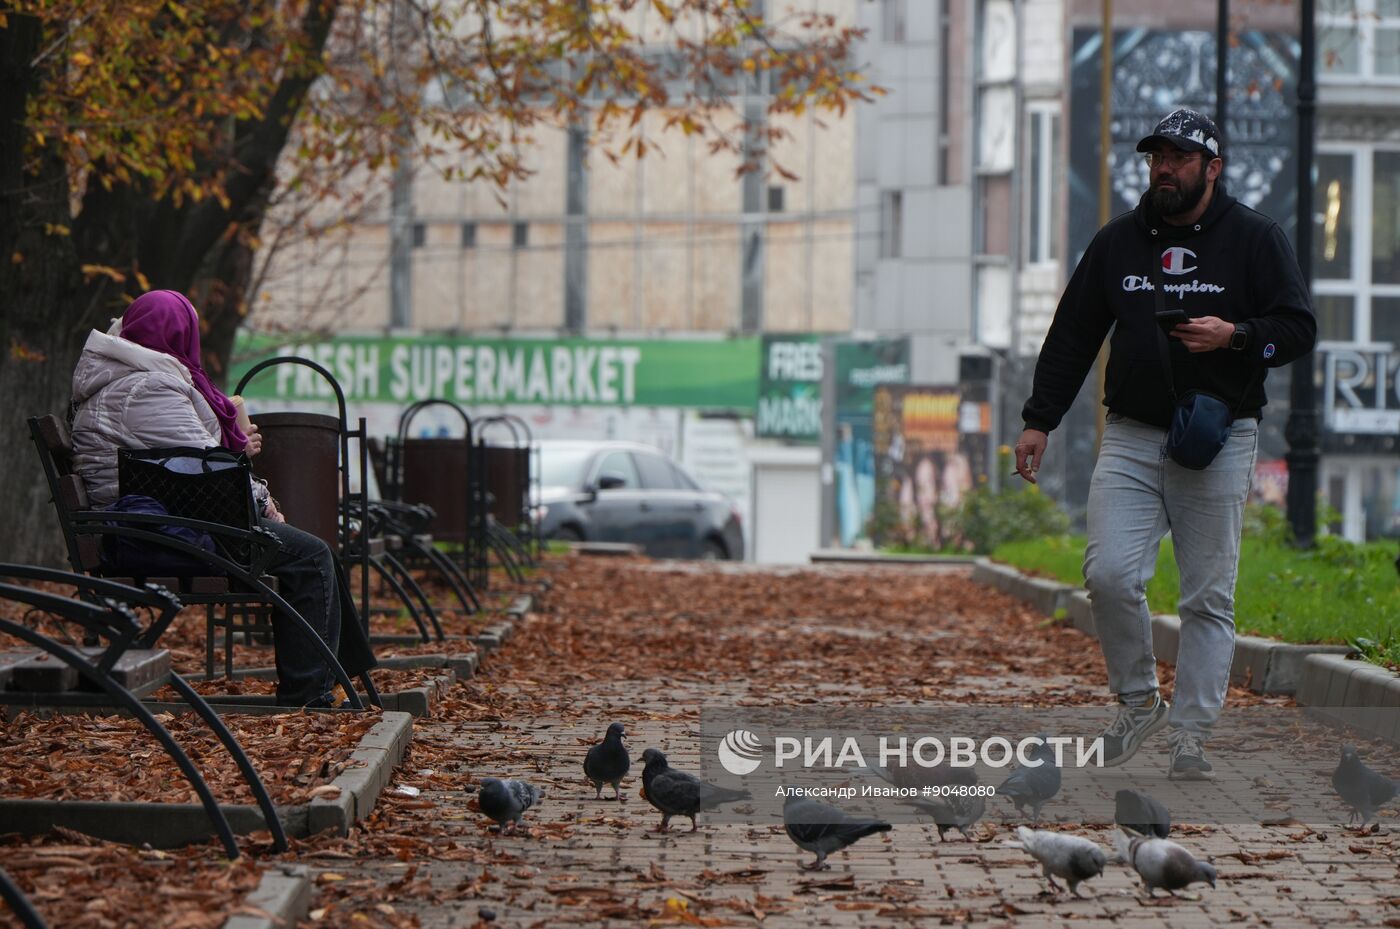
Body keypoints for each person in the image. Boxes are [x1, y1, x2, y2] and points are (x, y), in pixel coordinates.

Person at [1014, 109, 1316, 779]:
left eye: (1180, 158)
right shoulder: (1119, 243)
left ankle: (1190, 736)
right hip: (1131, 434)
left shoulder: (1255, 240)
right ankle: (1140, 700)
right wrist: (1040, 418)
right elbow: (1072, 335)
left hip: (1223, 436)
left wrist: (1235, 335)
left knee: (1207, 595)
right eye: (1157, 156)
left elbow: (1297, 328)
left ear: (1212, 168)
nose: (1164, 168)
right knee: (1109, 574)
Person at [70, 289, 374, 708]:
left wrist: (234, 453)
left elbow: (192, 456)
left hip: (161, 518)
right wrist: (264, 501)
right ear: (179, 336)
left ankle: (338, 678)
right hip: (166, 530)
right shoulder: (150, 386)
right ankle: (310, 694)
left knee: (317, 556)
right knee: (313, 558)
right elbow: (211, 470)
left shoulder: (127, 378)